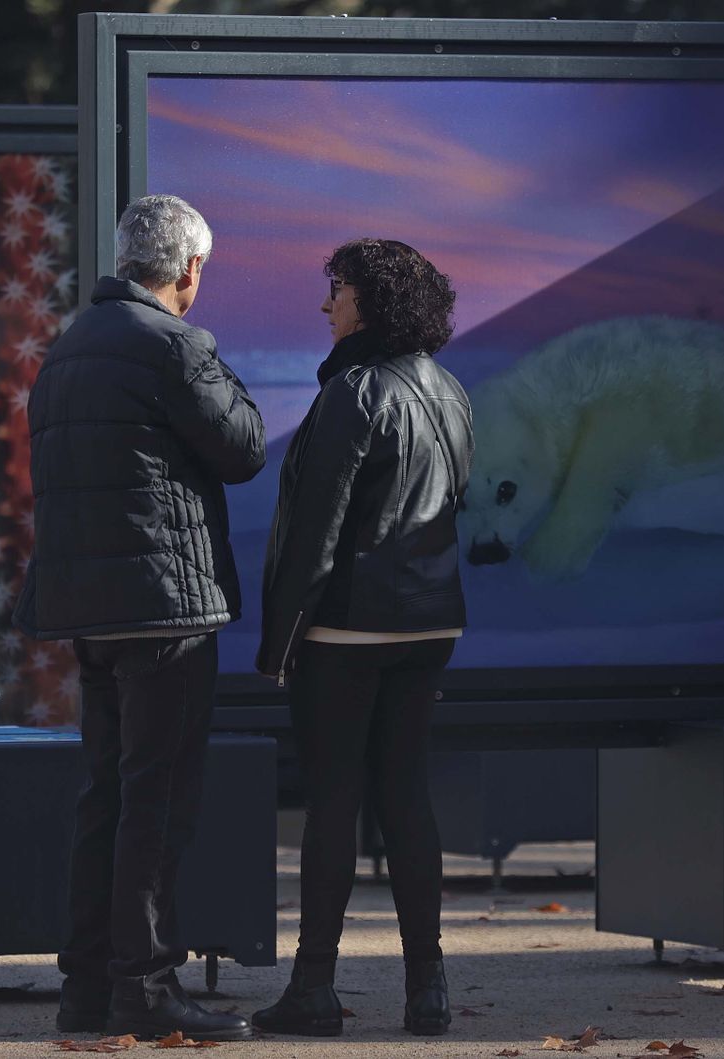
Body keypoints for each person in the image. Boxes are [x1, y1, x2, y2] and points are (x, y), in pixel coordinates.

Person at [14, 194, 266, 1042]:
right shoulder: (176, 345)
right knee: (155, 803)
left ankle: (86, 988)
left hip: (90, 612)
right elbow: (244, 446)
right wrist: (214, 361)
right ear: (189, 268)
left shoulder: (67, 347)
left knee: (106, 795)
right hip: (166, 611)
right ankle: (147, 988)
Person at [253, 238, 473, 1037]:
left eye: (338, 290)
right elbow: (455, 500)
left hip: (349, 627)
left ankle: (313, 988)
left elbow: (315, 532)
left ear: (370, 302)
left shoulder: (352, 392)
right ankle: (428, 988)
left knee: (334, 801)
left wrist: (279, 643)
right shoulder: (451, 390)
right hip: (432, 621)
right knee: (406, 795)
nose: (326, 304)